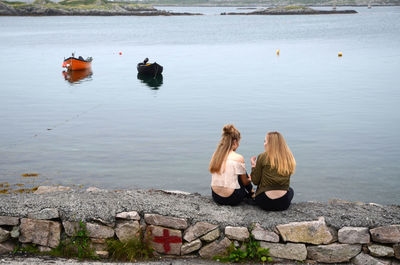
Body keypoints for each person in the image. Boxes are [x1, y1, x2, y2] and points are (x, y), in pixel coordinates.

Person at [209, 124, 254, 206]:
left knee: (238, 170)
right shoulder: (238, 157)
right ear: (235, 141)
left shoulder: (215, 155)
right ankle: (252, 193)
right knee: (242, 173)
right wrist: (250, 179)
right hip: (232, 198)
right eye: (239, 142)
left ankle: (252, 193)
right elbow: (244, 182)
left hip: (216, 196)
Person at [250, 131, 296, 211]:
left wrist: (253, 166)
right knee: (291, 190)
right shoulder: (288, 158)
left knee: (258, 189)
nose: (264, 144)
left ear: (270, 144)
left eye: (265, 141)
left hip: (264, 201)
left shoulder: (262, 156)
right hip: (283, 203)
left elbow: (255, 181)